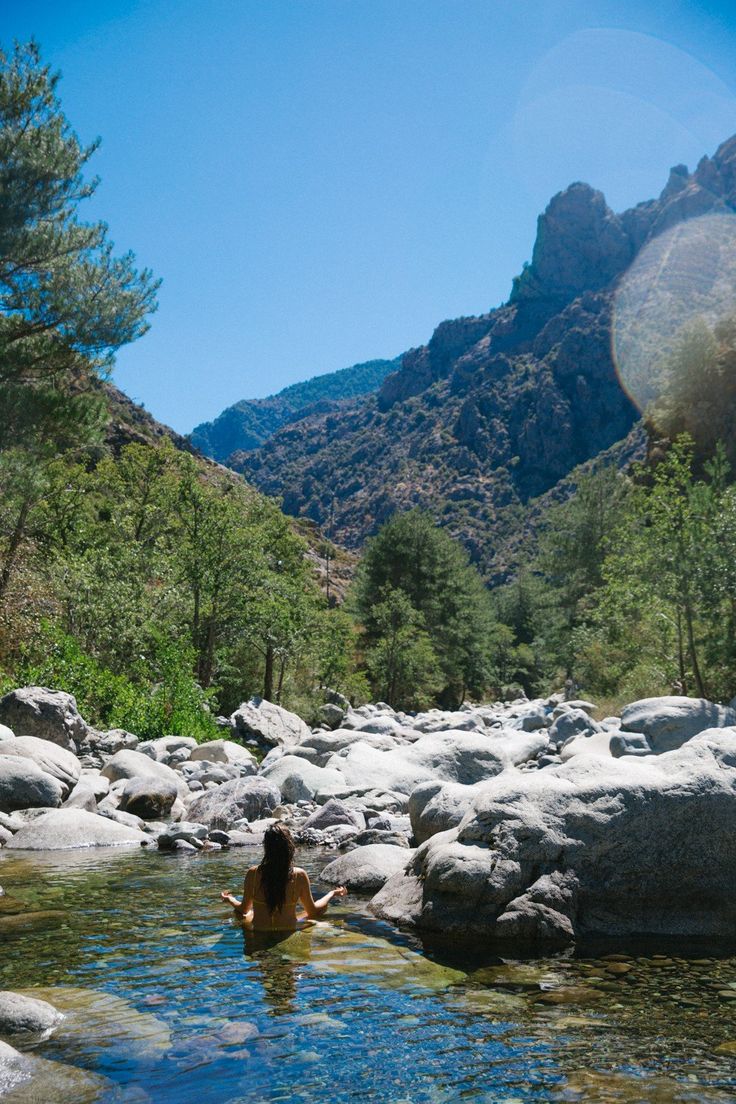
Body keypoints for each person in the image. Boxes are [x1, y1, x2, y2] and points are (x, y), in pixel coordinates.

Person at [220, 822, 347, 931]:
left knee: (241, 913)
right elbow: (312, 911)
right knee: (320, 909)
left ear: (266, 848)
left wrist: (230, 899)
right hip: (287, 931)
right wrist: (331, 894)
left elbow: (243, 909)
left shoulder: (252, 874)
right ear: (289, 847)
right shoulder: (299, 875)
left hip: (259, 931)